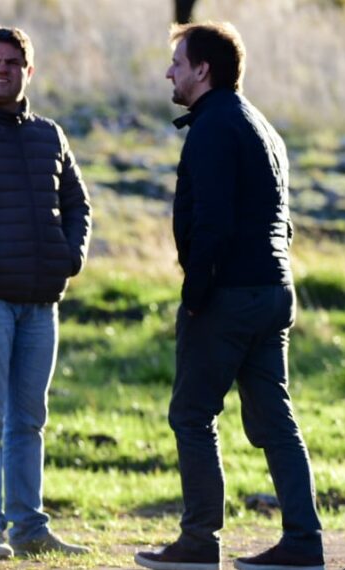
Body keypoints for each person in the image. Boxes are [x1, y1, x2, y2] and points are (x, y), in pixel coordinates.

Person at [135, 21, 325, 570]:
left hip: (229, 294)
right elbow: (281, 222)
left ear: (203, 69)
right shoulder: (260, 124)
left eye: (177, 61)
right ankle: (304, 542)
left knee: (192, 416)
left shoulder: (214, 127)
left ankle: (199, 541)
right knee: (275, 419)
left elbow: (212, 222)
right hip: (272, 289)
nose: (169, 70)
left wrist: (195, 295)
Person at [0, 27, 92, 561]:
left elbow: (79, 203)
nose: (3, 69)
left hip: (42, 302)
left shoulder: (50, 135)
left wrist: (70, 254)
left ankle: (30, 526)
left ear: (28, 71)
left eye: (14, 62)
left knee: (29, 419)